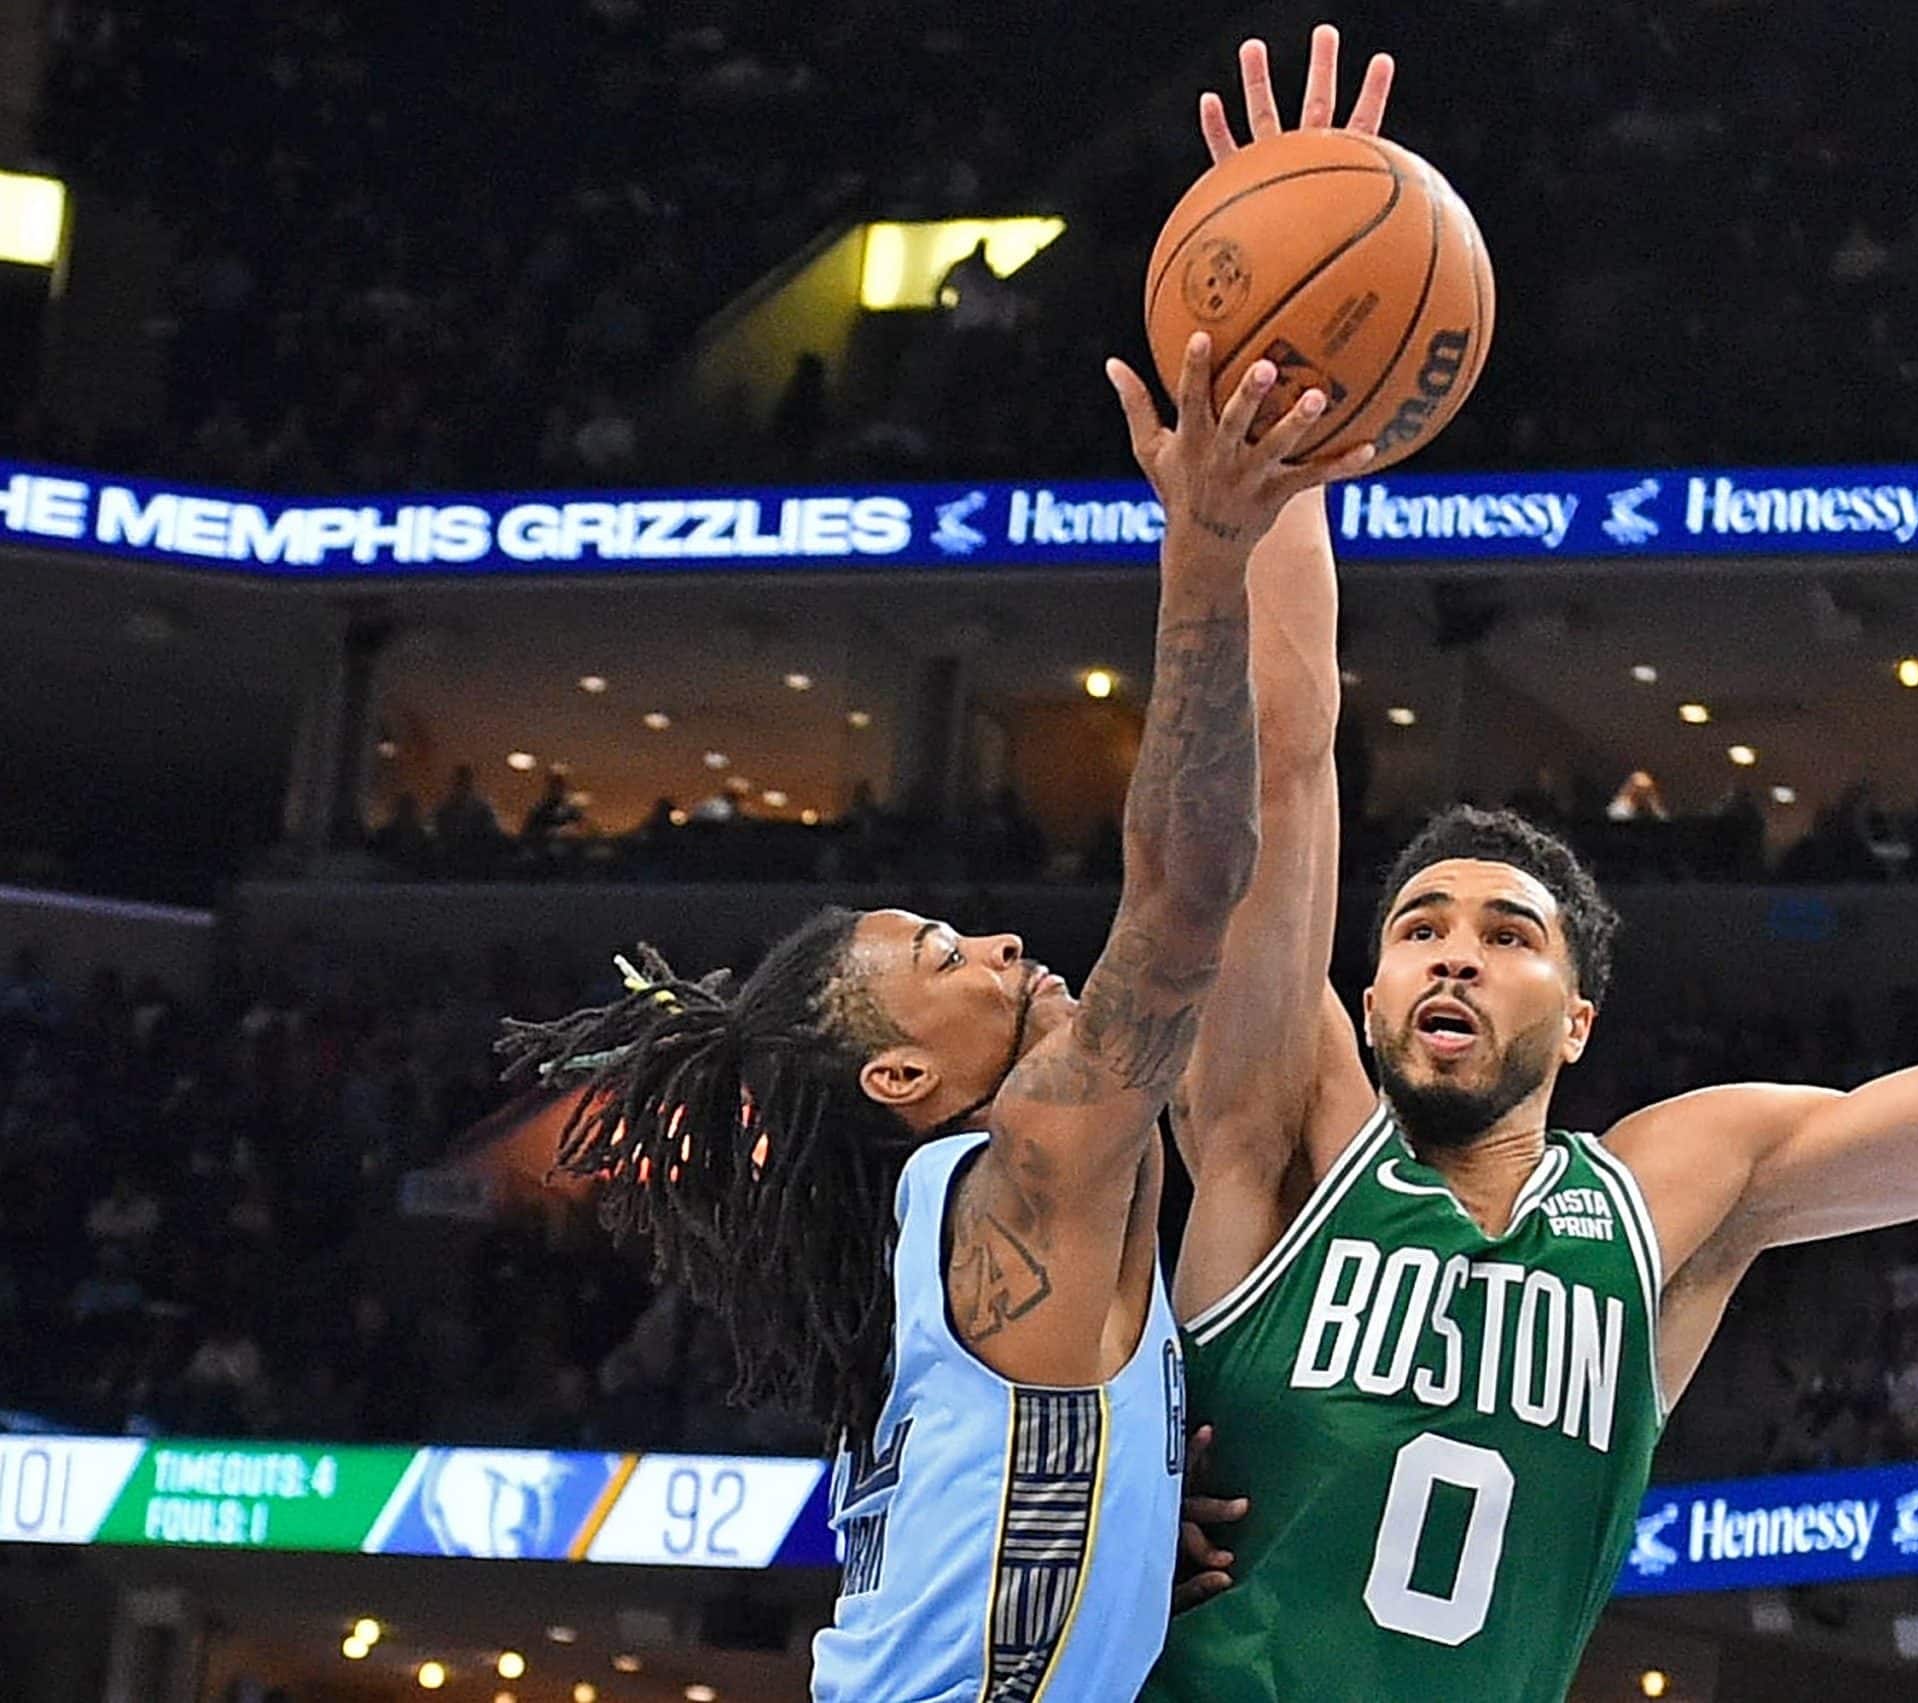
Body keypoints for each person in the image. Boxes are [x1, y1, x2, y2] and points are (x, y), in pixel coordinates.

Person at [1145, 40, 1918, 1662]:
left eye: (1510, 937)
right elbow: (1288, 759)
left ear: (1579, 1023)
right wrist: (1275, 434)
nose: (1451, 950)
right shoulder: (1275, 1134)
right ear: (1363, 998)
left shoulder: (1676, 1197)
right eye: (1421, 927)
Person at [499, 329, 1372, 1701]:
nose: (1004, 945)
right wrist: (1204, 545)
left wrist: (1129, 1539)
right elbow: (1194, 875)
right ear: (901, 1074)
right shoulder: (1030, 1164)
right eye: (950, 953)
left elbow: (1285, 753)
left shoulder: (978, 1222)